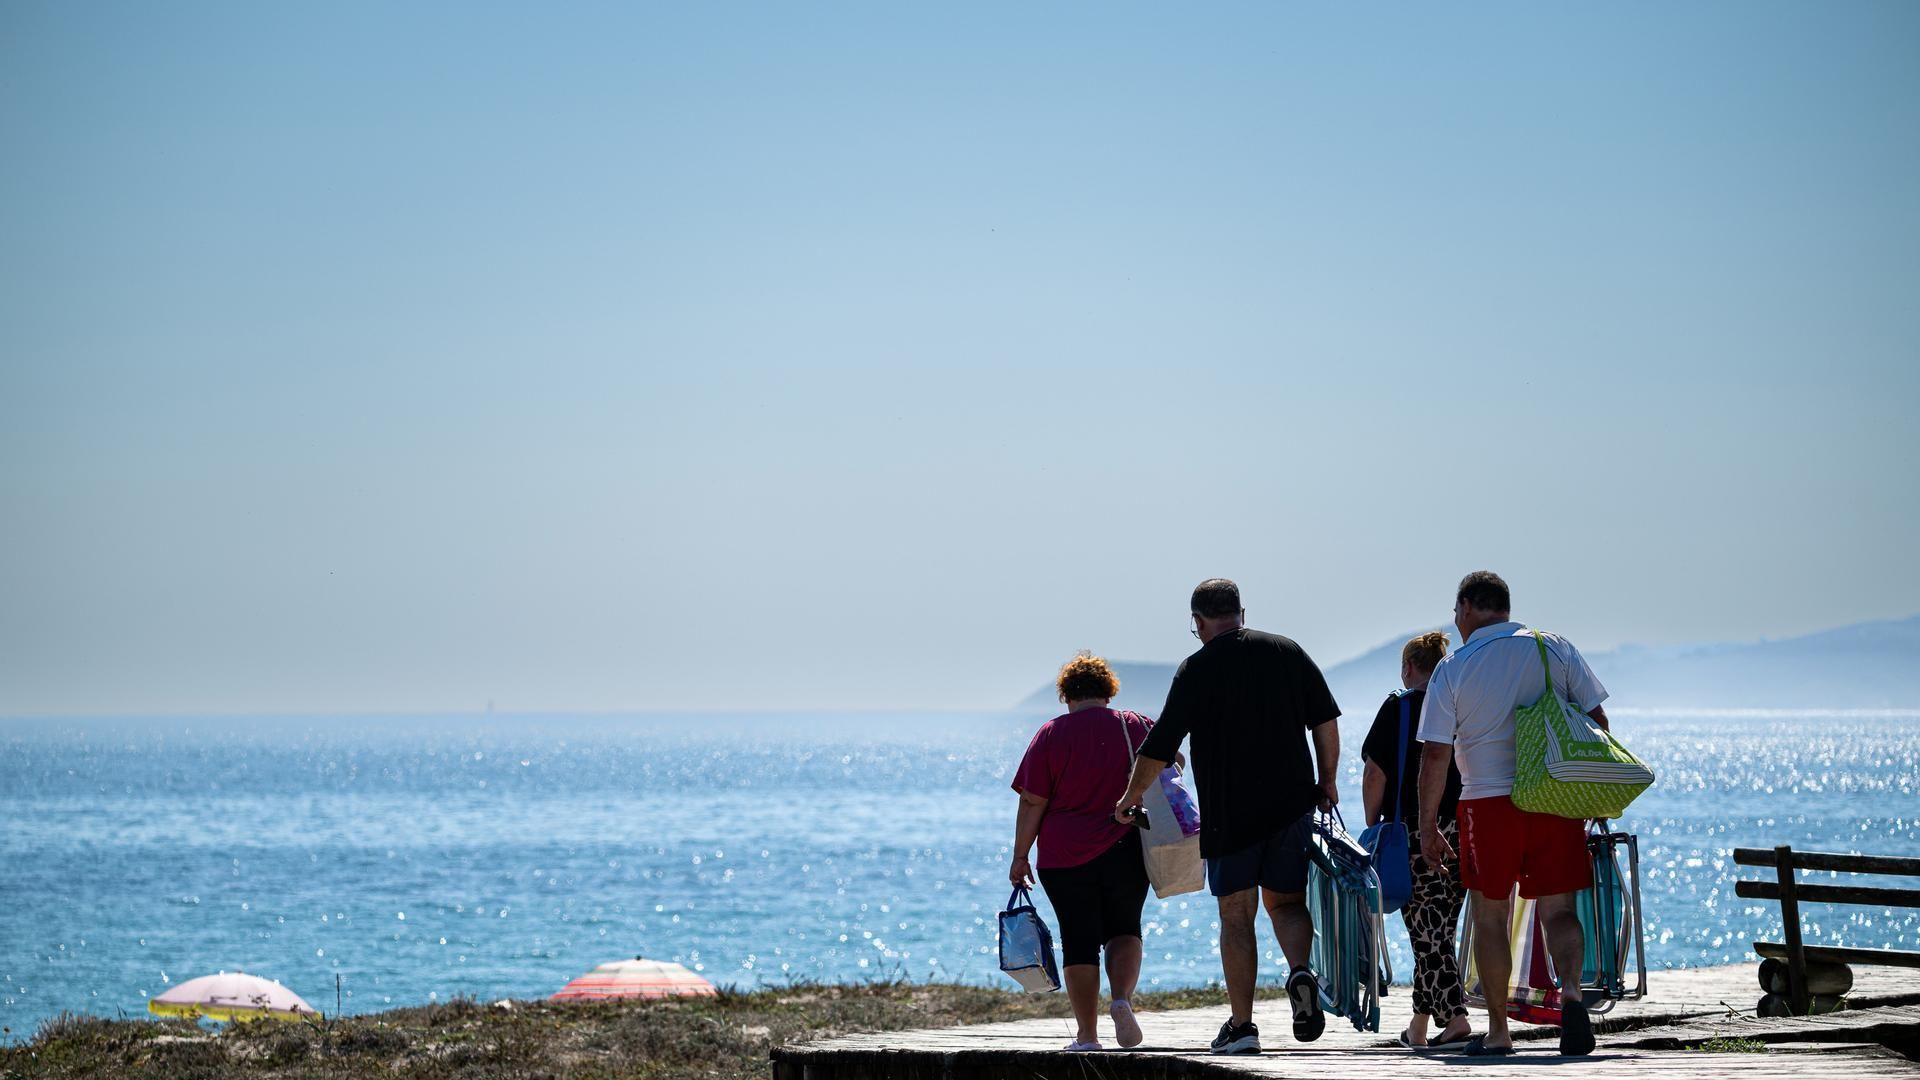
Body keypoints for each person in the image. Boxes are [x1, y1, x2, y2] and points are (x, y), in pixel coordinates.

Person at [1114, 578, 1341, 1056]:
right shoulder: (1286, 651)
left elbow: (1161, 744)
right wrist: (1327, 780)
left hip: (1228, 812)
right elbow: (1324, 720)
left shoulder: (1196, 668)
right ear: (1242, 612)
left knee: (1236, 917)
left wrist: (1131, 797)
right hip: (1291, 806)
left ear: (1197, 622)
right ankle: (1300, 970)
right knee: (1287, 903)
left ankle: (1242, 1026)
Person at [1416, 571, 1611, 1057]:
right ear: (1504, 606)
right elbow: (1598, 722)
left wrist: (1427, 826)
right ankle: (1571, 994)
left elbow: (1436, 754)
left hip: (1487, 803)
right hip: (1553, 798)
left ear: (1465, 608)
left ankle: (1500, 1031)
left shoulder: (1454, 666)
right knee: (1559, 910)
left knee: (1490, 916)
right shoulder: (1555, 648)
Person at [1009, 653, 1158, 1052]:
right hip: (1126, 845)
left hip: (1064, 854)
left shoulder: (1051, 734)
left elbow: (1033, 800)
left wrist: (1020, 855)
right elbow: (1172, 762)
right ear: (1108, 691)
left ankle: (1087, 1036)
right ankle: (1121, 999)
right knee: (1125, 927)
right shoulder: (1135, 725)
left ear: (1066, 694)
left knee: (1078, 939)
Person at [1361, 631, 1473, 1050]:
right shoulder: (1459, 705)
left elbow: (1375, 773)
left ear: (1408, 667)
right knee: (1439, 927)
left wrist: (1373, 825)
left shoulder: (1399, 707)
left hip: (1413, 830)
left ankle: (1456, 1018)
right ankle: (1419, 1027)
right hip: (1463, 826)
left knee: (1427, 930)